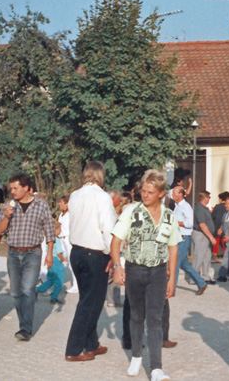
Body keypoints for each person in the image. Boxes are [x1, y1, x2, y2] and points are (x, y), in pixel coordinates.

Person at [111, 169, 180, 381]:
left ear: (161, 193)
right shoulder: (131, 212)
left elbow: (174, 247)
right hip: (135, 269)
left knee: (156, 318)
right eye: (143, 190)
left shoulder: (169, 216)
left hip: (158, 272)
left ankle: (157, 368)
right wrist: (117, 266)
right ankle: (137, 356)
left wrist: (172, 279)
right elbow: (115, 241)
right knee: (136, 315)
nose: (145, 194)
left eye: (150, 191)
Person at [64, 161, 117, 362]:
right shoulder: (103, 197)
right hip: (95, 254)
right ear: (100, 175)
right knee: (91, 303)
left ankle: (91, 343)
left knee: (87, 298)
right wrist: (113, 257)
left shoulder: (74, 195)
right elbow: (108, 228)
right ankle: (74, 349)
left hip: (77, 252)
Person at [0, 173, 55, 341]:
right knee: (15, 293)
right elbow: (0, 230)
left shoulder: (41, 206)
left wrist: (49, 253)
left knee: (27, 290)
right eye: (11, 188)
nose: (12, 191)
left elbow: (49, 230)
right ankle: (24, 321)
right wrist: (7, 216)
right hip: (13, 253)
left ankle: (25, 328)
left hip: (33, 253)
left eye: (16, 188)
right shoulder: (9, 206)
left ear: (26, 188)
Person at [172, 185, 208, 294]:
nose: (172, 195)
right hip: (177, 238)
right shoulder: (177, 206)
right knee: (185, 264)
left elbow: (189, 224)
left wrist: (176, 222)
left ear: (181, 194)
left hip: (184, 238)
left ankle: (171, 289)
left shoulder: (186, 207)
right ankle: (201, 283)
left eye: (174, 193)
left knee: (175, 264)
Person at [36, 221, 66, 303]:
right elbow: (58, 252)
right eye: (59, 229)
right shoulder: (57, 240)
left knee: (50, 280)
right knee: (59, 281)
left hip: (50, 260)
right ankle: (54, 298)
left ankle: (36, 290)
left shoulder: (49, 240)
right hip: (56, 260)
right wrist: (63, 259)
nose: (60, 231)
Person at [192, 191, 217, 283]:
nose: (209, 199)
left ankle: (205, 276)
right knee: (199, 256)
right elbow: (202, 225)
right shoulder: (199, 209)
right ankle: (194, 278)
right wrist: (211, 237)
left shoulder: (204, 208)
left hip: (206, 235)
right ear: (205, 197)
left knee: (207, 256)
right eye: (209, 197)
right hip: (200, 234)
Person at [57, 194, 79, 294]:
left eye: (62, 202)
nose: (59, 204)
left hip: (68, 240)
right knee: (57, 259)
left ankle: (76, 285)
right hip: (61, 239)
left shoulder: (70, 215)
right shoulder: (61, 215)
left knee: (71, 263)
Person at [212, 191, 229, 259]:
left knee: (216, 244)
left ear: (221, 199)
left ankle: (214, 256)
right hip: (225, 228)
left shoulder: (217, 206)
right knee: (224, 243)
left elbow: (213, 216)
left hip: (217, 227)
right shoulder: (228, 207)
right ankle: (226, 256)